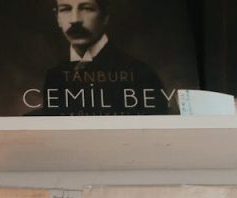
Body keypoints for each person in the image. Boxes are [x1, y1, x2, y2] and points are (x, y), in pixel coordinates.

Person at [36, 0, 168, 116]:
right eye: (65, 9)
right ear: (57, 18)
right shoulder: (55, 76)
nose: (75, 19)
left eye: (86, 8)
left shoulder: (141, 74)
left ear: (105, 16)